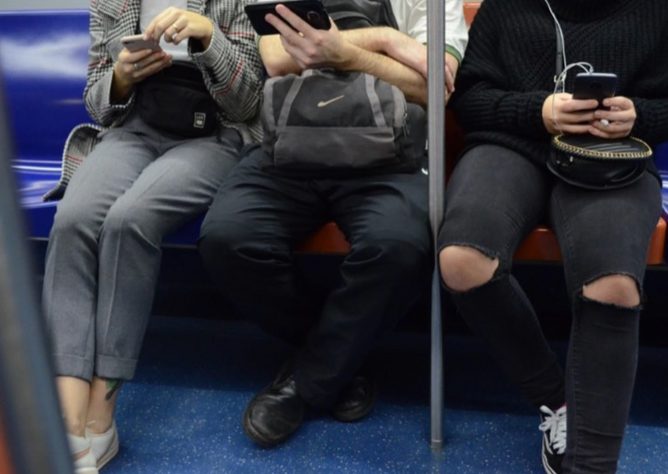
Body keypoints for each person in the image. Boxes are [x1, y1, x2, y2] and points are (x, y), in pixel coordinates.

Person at [439, 0, 668, 473]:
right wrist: (537, 110)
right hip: (510, 145)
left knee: (613, 285)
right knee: (462, 258)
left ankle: (592, 465)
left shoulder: (655, 7)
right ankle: (559, 400)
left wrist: (636, 116)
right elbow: (470, 98)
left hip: (611, 156)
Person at [199, 0, 467, 447]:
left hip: (389, 154)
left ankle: (307, 380)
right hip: (289, 148)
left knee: (398, 246)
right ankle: (341, 355)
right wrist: (385, 40)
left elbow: (433, 86)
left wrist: (344, 53)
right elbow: (274, 56)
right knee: (228, 238)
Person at [42, 1, 263, 472]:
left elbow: (249, 103)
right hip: (134, 130)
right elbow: (98, 103)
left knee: (130, 220)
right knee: (74, 219)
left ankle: (100, 418)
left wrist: (208, 37)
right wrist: (121, 77)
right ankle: (67, 421)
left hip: (214, 135)